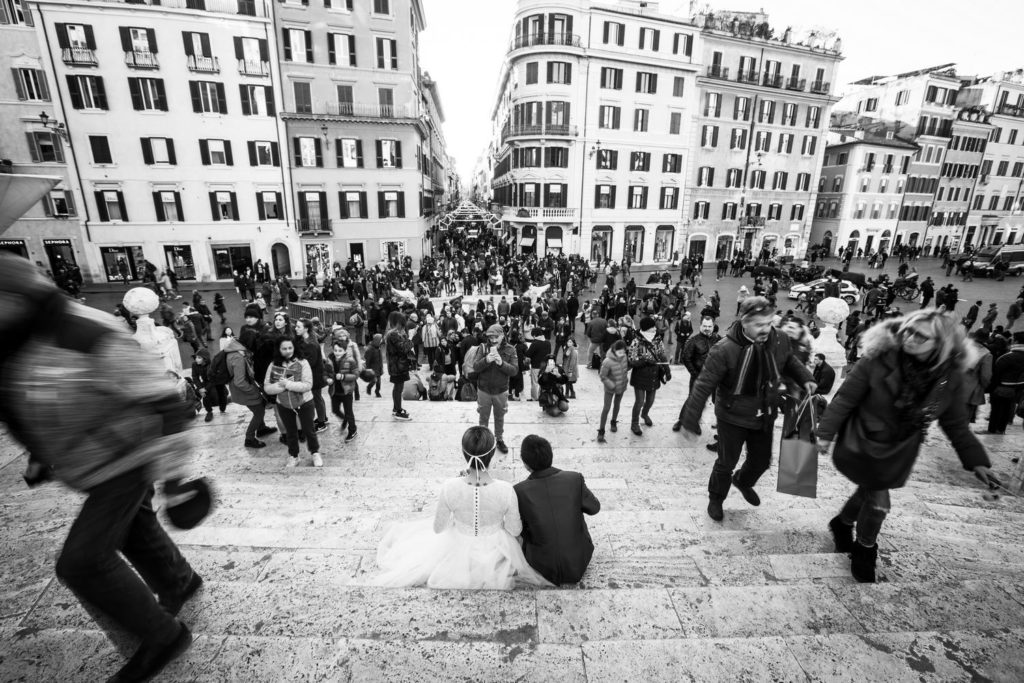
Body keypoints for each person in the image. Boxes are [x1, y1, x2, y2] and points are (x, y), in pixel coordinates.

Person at [0, 253, 206, 681]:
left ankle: (163, 636)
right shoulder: (16, 336)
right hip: (89, 461)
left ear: (17, 297)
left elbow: (166, 403)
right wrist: (40, 450)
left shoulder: (86, 329)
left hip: (125, 457)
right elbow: (24, 398)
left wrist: (175, 480)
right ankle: (179, 580)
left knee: (81, 562)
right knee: (132, 527)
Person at [815, 310, 999, 582]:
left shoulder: (950, 378)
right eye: (908, 331)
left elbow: (956, 425)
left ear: (941, 344)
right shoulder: (876, 360)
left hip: (899, 451)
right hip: (863, 442)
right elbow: (844, 400)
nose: (910, 338)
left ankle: (842, 523)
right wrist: (825, 434)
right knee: (879, 503)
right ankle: (864, 549)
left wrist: (977, 461)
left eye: (921, 336)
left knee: (870, 489)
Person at [678, 297, 815, 522]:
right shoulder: (724, 349)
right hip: (732, 415)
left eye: (769, 323)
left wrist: (805, 377)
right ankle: (716, 498)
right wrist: (690, 420)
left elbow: (788, 359)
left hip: (765, 412)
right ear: (744, 323)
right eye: (759, 324)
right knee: (725, 463)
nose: (766, 329)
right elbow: (704, 384)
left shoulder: (779, 338)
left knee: (761, 461)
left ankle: (742, 481)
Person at [373, 427, 552, 589]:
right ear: (492, 455)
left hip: (457, 550)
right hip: (496, 551)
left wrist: (461, 514)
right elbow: (515, 530)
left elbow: (438, 528)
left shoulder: (450, 486)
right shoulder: (506, 490)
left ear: (464, 453)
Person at [514, 435, 600, 585]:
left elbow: (518, 529)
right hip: (579, 559)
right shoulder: (574, 479)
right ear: (551, 456)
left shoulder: (519, 491)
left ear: (525, 464)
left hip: (540, 565)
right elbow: (594, 508)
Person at [264, 337, 322, 468]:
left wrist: (288, 384)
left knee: (309, 430)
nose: (288, 351)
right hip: (283, 403)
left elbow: (308, 385)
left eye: (290, 348)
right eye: (284, 348)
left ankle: (315, 453)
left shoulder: (303, 362)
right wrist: (281, 387)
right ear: (279, 350)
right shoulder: (273, 364)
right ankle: (294, 456)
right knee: (290, 432)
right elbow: (267, 387)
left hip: (305, 401)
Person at [470, 323, 518, 454]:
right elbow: (475, 367)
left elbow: (514, 371)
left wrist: (501, 363)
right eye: (491, 337)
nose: (493, 340)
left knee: (499, 416)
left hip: (501, 391)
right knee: (483, 417)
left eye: (496, 337)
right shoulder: (483, 348)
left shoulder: (510, 350)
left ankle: (499, 439)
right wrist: (486, 360)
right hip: (484, 390)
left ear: (502, 335)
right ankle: (482, 440)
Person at [225, 332, 275, 448]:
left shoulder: (235, 349)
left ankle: (261, 428)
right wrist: (253, 390)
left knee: (259, 408)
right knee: (259, 412)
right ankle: (249, 438)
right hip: (242, 389)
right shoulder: (237, 357)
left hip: (241, 388)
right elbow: (239, 381)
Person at [628, 316, 670, 435]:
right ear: (646, 329)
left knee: (650, 400)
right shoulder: (636, 341)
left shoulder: (657, 339)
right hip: (640, 374)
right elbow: (631, 359)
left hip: (654, 374)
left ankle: (645, 414)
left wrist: (667, 370)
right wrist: (644, 361)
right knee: (639, 401)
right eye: (652, 327)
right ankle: (634, 423)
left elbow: (662, 354)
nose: (654, 328)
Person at [982, 331, 1024, 434]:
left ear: (1016, 341)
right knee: (1007, 409)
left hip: (1001, 387)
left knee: (996, 409)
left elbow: (996, 374)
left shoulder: (1007, 357)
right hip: (1016, 389)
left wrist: (990, 388)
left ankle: (992, 430)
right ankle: (1001, 429)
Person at [327, 331, 362, 443]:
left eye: (340, 351)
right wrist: (327, 379)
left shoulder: (350, 360)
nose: (337, 353)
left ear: (345, 350)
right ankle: (345, 419)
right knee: (335, 410)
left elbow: (355, 375)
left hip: (346, 391)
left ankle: (352, 430)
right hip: (334, 390)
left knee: (349, 411)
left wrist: (343, 376)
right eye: (335, 350)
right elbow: (325, 372)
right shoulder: (330, 359)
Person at [295, 318, 329, 432]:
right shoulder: (306, 340)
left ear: (306, 329)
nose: (296, 328)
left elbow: (311, 362)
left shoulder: (310, 344)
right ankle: (323, 417)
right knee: (318, 397)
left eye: (298, 327)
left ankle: (321, 423)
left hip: (314, 376)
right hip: (314, 375)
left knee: (316, 398)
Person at [597, 340, 629, 442]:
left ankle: (613, 421)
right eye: (620, 352)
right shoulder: (607, 361)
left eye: (623, 352)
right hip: (610, 388)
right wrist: (611, 385)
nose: (622, 354)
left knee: (617, 405)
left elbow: (625, 368)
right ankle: (601, 430)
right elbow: (602, 376)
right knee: (606, 408)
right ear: (615, 350)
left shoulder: (624, 357)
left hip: (621, 385)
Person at [385, 311, 415, 421]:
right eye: (401, 324)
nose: (403, 326)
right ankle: (397, 410)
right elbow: (403, 348)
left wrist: (407, 337)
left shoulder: (396, 333)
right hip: (397, 365)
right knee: (398, 387)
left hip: (399, 365)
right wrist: (410, 338)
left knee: (398, 387)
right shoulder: (393, 334)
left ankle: (396, 408)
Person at [963, 330, 993, 424]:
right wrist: (984, 386)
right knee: (964, 419)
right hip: (970, 389)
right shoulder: (986, 354)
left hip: (954, 385)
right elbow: (986, 376)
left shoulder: (963, 346)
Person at [191, 348, 226, 422]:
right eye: (196, 357)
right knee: (204, 394)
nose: (196, 359)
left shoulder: (212, 364)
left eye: (199, 357)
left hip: (217, 381)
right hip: (206, 381)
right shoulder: (194, 365)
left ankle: (222, 408)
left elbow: (214, 379)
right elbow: (195, 377)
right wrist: (201, 389)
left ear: (205, 359)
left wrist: (206, 389)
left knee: (220, 395)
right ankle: (209, 412)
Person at [364, 333, 384, 397]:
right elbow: (367, 359)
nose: (381, 341)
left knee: (379, 382)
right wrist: (367, 368)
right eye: (380, 340)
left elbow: (380, 359)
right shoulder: (371, 349)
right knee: (374, 380)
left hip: (378, 367)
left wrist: (381, 367)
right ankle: (369, 387)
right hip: (373, 368)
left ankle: (377, 391)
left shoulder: (378, 348)